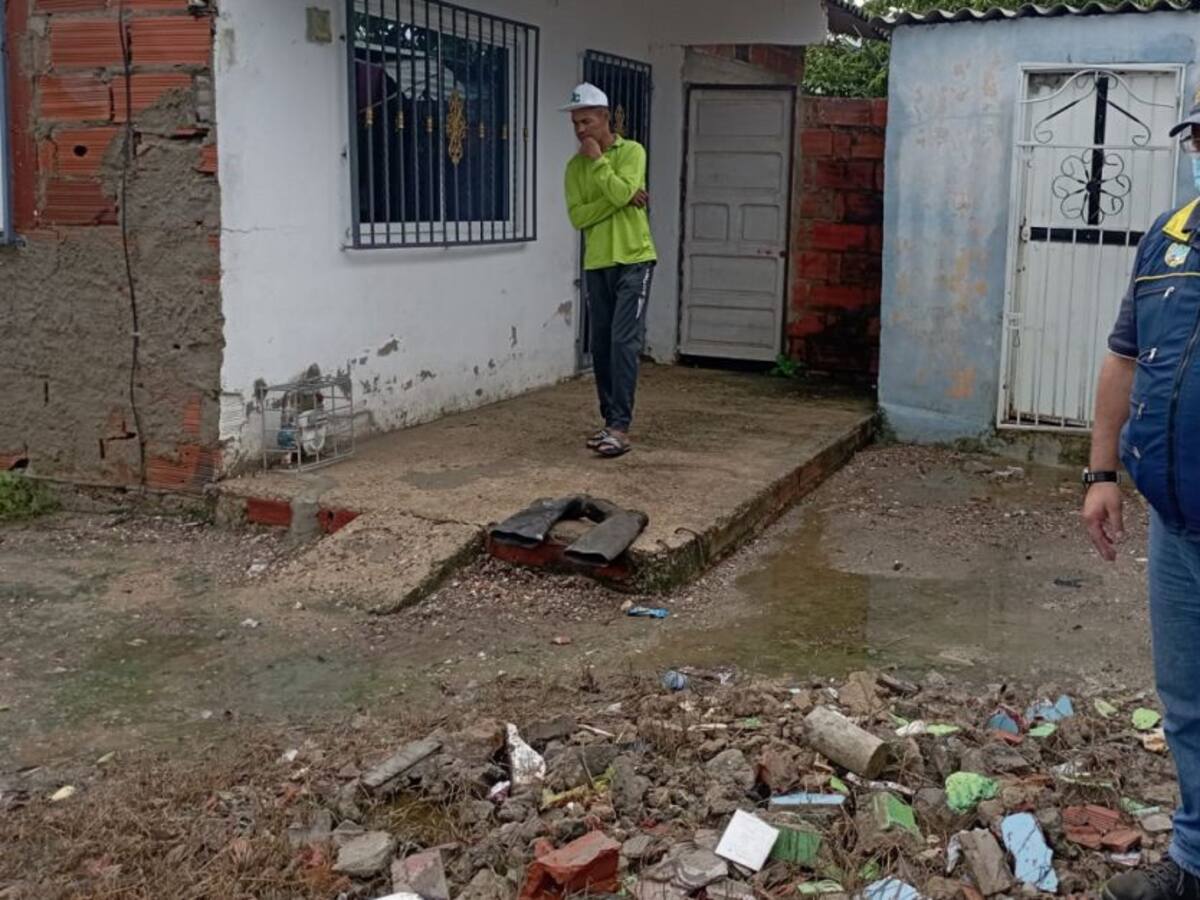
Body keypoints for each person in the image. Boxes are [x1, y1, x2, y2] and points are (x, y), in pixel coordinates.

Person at [1084, 93, 1200, 900]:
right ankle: (1194, 863)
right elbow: (1125, 358)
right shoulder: (1170, 236)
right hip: (1177, 523)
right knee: (1187, 703)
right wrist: (1102, 474)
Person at [561, 83, 657, 459]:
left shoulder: (632, 151)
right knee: (600, 345)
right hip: (598, 262)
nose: (580, 129)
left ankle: (620, 427)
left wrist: (599, 162)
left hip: (634, 258)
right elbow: (578, 216)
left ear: (604, 117)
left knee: (622, 341)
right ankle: (608, 421)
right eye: (575, 123)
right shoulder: (574, 167)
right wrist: (622, 197)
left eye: (586, 121)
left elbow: (617, 194)